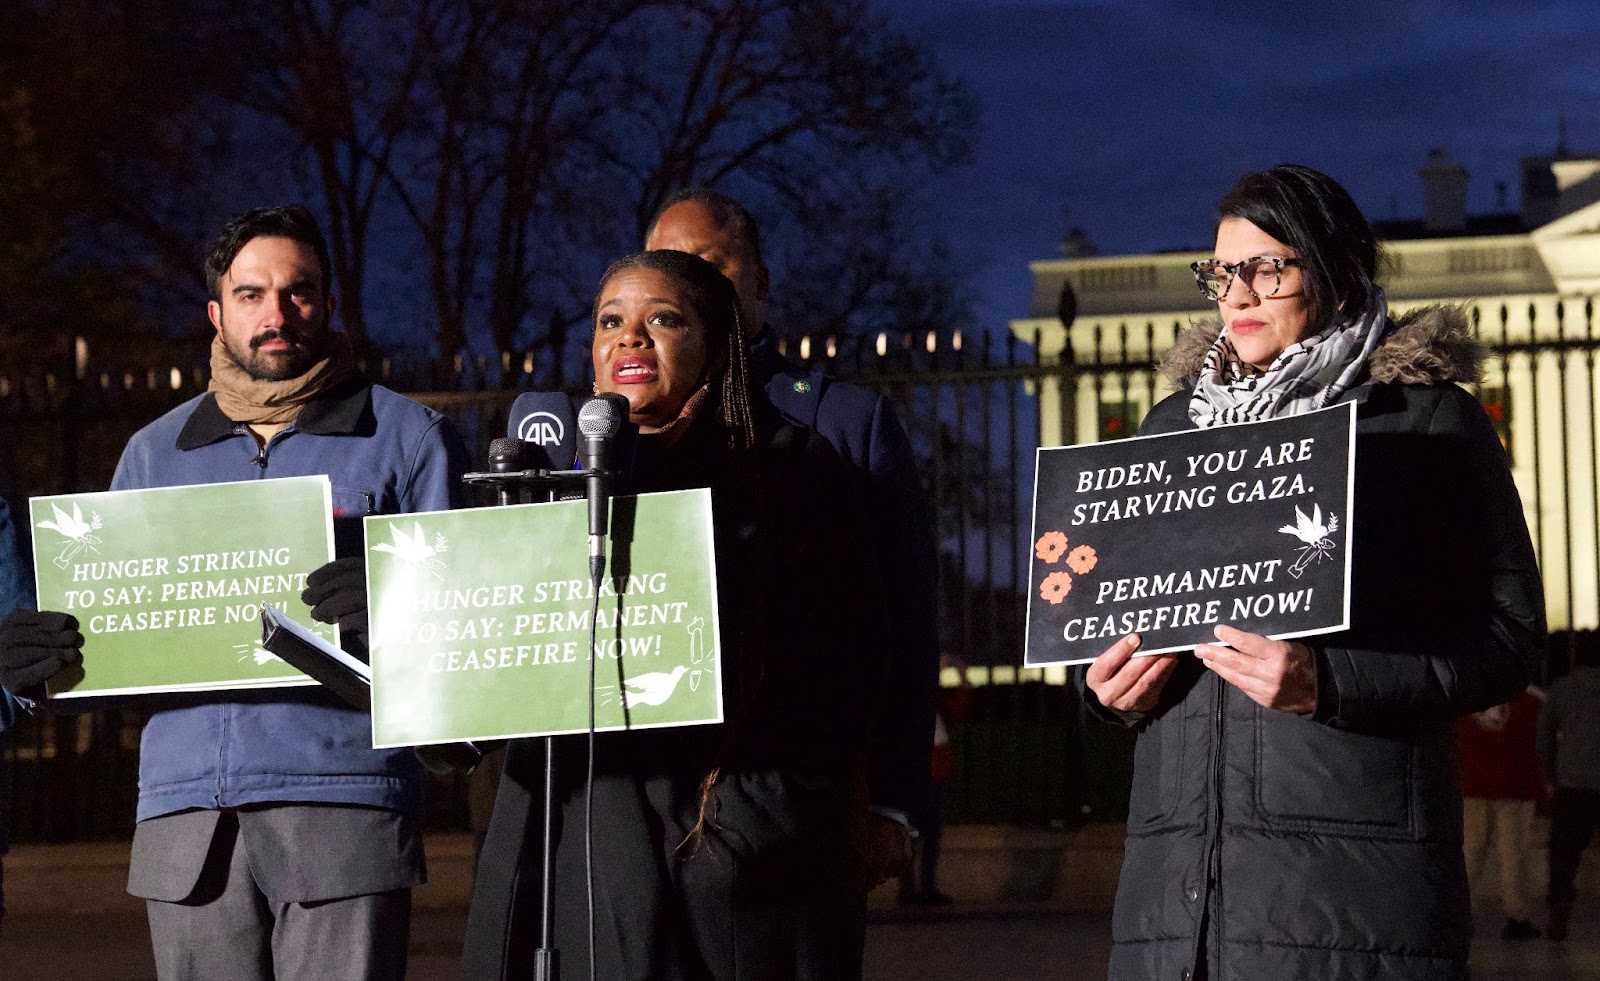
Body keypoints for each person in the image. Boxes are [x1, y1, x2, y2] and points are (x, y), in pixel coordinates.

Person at [1081, 165, 1545, 980]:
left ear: (1333, 270)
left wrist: (1329, 682)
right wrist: (1106, 692)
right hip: (1175, 914)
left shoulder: (1428, 420)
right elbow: (1103, 627)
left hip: (1355, 909)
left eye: (1268, 267)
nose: (1238, 294)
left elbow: (1510, 639)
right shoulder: (1169, 430)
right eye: (1222, 272)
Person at [0, 204, 468, 980]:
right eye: (252, 294)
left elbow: (469, 652)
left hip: (342, 806)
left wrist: (402, 611)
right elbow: (114, 643)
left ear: (330, 303)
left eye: (299, 291)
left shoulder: (408, 439)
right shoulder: (151, 452)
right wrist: (39, 667)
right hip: (187, 825)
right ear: (217, 313)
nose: (277, 313)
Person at [465, 250, 889, 981]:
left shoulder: (794, 465)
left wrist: (735, 817)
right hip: (578, 841)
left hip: (725, 847)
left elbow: (838, 670)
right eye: (610, 322)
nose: (631, 338)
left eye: (662, 319)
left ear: (716, 345)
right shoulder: (554, 479)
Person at [644, 188, 938, 880]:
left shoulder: (842, 424)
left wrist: (895, 802)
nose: (688, 283)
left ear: (761, 282)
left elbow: (905, 620)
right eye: (667, 265)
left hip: (800, 806)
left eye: (710, 263)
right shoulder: (607, 434)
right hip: (647, 810)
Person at [1457, 687, 1544, 939]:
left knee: (1470, 852)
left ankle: (1459, 911)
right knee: (1513, 855)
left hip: (1472, 784)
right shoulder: (1532, 701)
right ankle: (1516, 916)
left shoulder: (1466, 697)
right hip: (1515, 786)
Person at [1537, 628, 1600, 941]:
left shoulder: (1562, 689)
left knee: (1563, 852)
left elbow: (1544, 736)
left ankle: (1560, 907)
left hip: (1573, 783)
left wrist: (1551, 774)